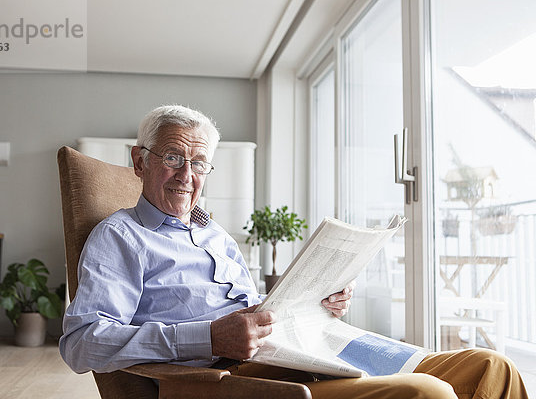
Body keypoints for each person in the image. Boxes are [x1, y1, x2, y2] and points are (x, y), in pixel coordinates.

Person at [59, 105, 528, 398]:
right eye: (173, 157)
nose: (187, 174)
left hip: (298, 350)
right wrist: (208, 339)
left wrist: (313, 300)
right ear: (140, 160)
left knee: (493, 367)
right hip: (238, 380)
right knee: (428, 392)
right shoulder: (120, 237)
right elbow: (80, 344)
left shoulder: (216, 236)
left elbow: (254, 312)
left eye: (199, 162)